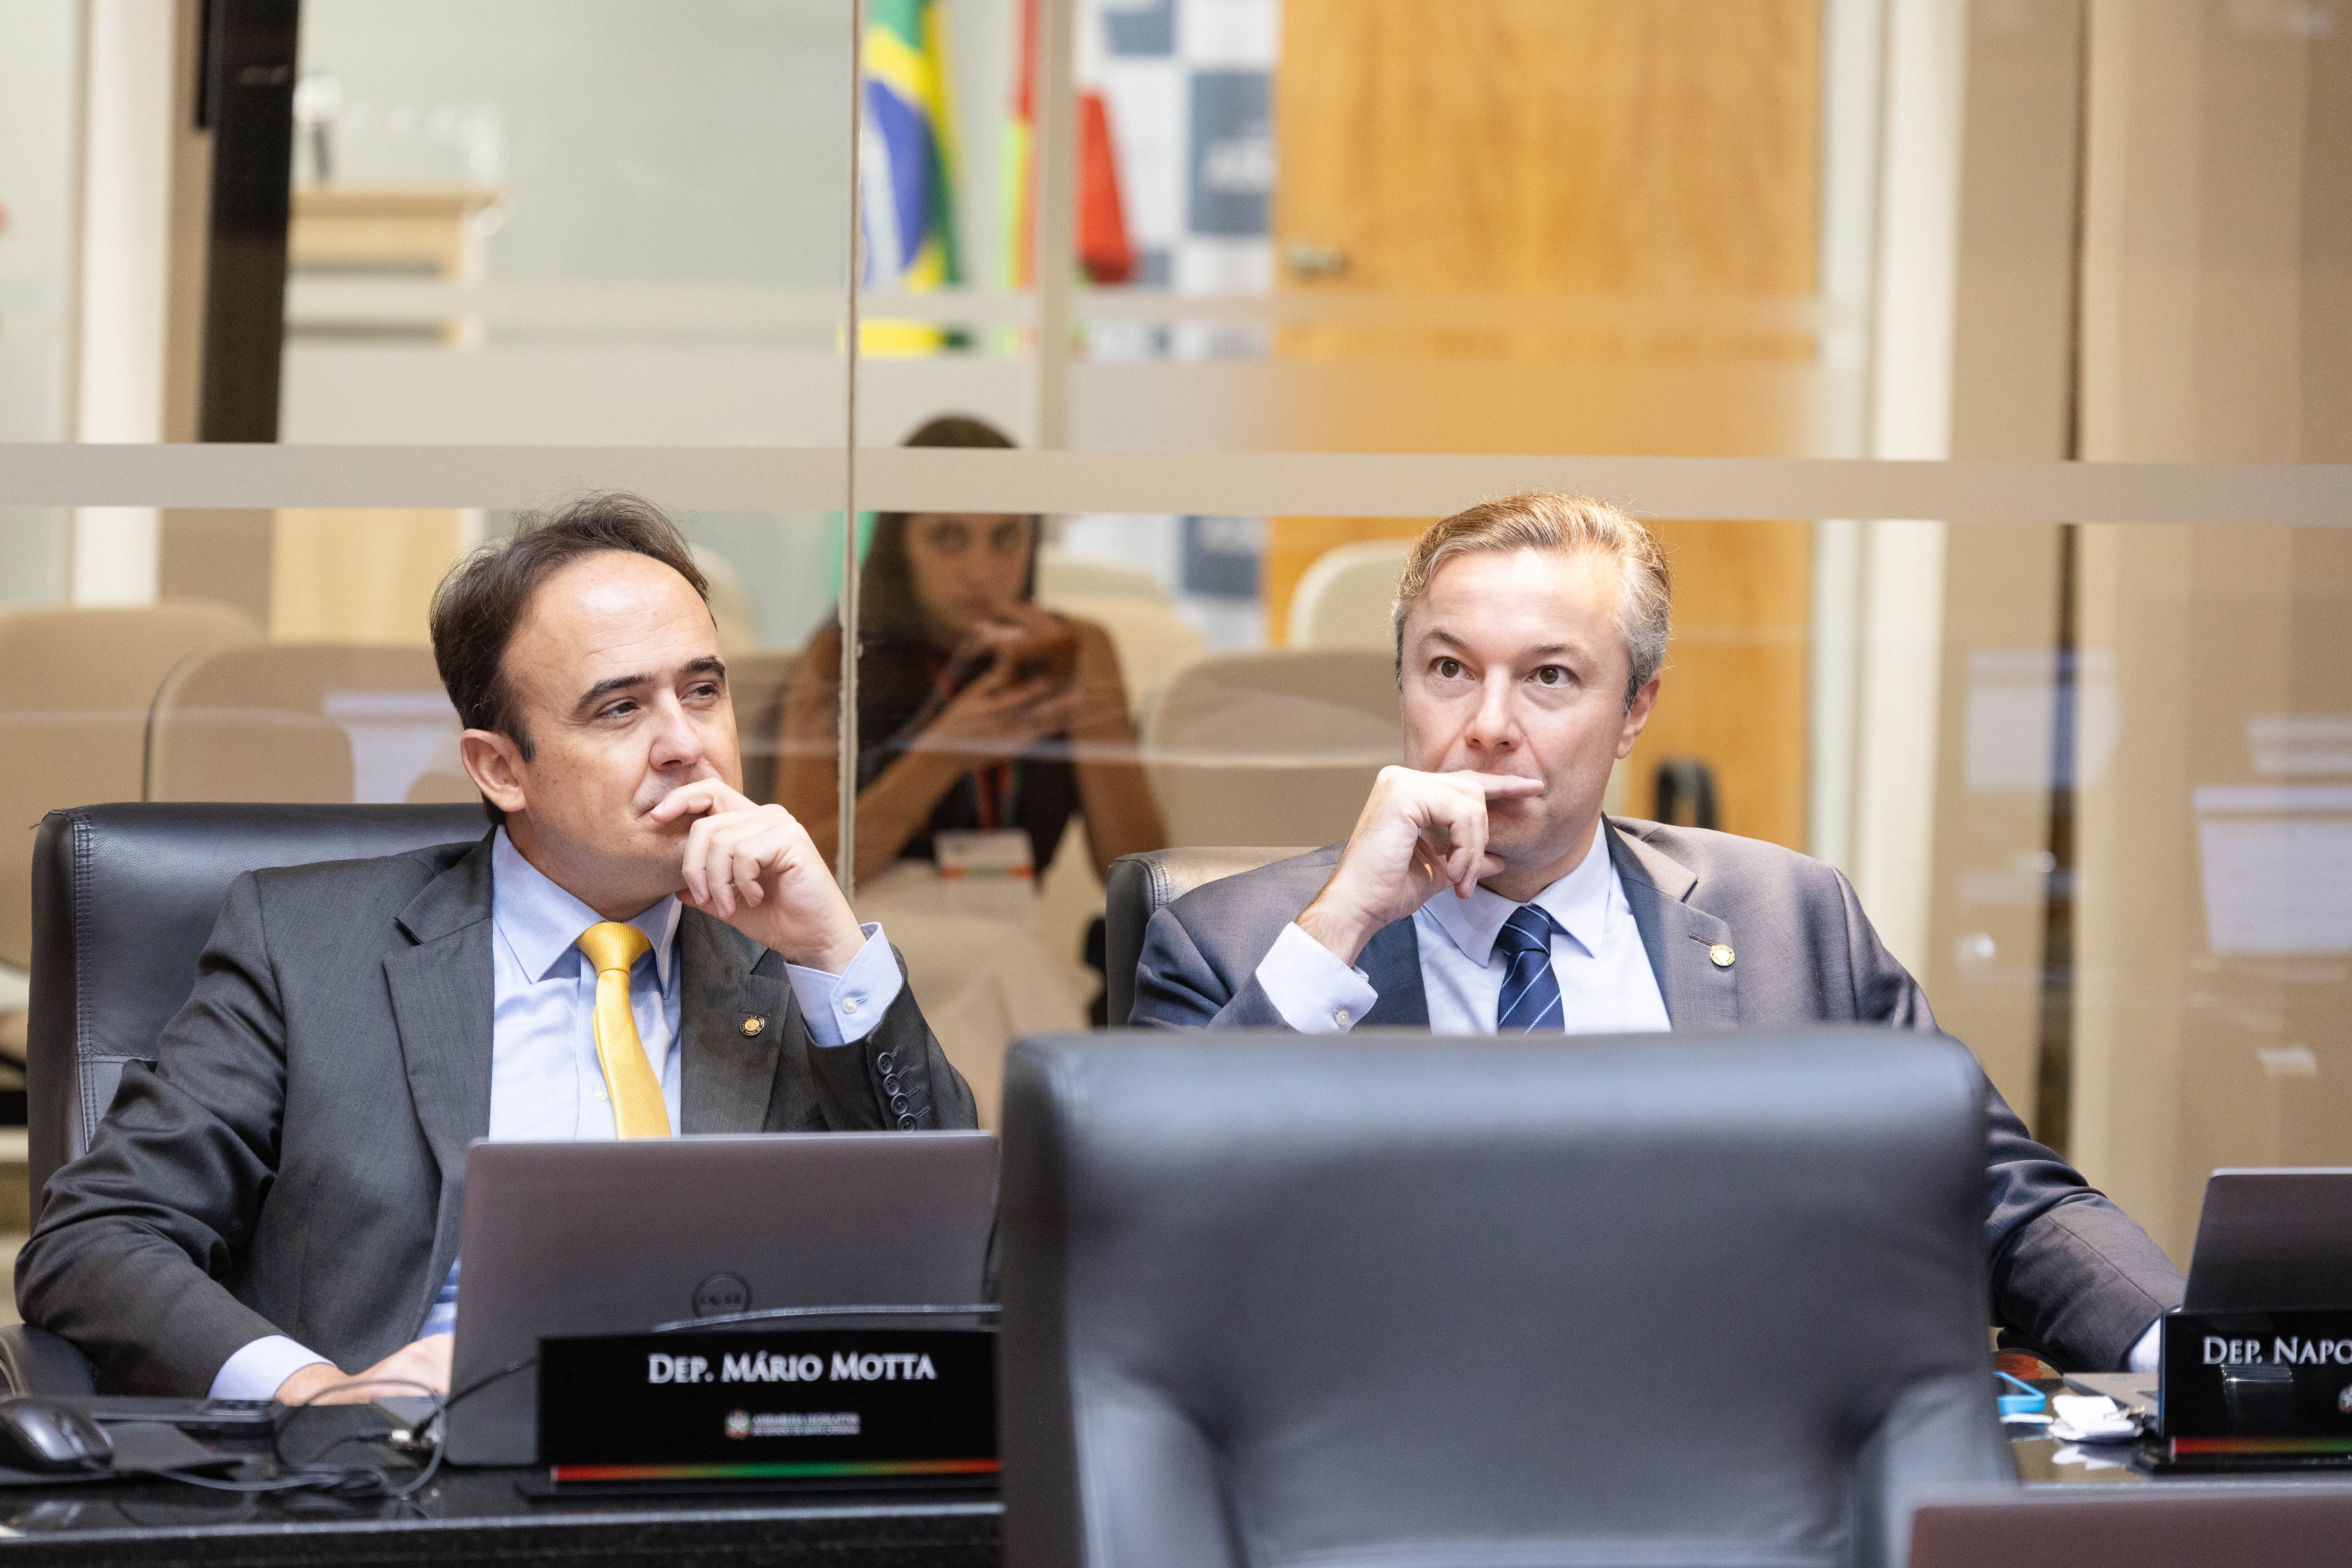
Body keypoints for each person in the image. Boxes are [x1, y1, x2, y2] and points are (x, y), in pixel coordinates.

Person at [1131, 492, 2182, 1373]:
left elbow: (1998, 1197)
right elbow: (1144, 1248)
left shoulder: (1788, 918)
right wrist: (1341, 924)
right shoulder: (1234, 942)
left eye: (1549, 676)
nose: (1488, 723)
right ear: (1402, 682)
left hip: (1733, 1471)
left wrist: (2204, 1358)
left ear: (1635, 708)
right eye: (1448, 669)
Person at [17, 496, 976, 1403]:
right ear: (500, 767)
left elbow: (965, 1255)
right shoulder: (306, 949)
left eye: (702, 690)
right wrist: (320, 1395)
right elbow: (97, 1238)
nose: (685, 744)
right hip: (405, 1470)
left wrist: (831, 951)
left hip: (717, 1461)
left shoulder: (792, 967)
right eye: (620, 708)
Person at [776, 414, 1166, 893]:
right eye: (948, 537)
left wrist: (1091, 717)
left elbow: (1143, 881)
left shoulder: (1076, 649)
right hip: (878, 928)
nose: (980, 571)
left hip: (1018, 932)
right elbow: (799, 878)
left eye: (1005, 537)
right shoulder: (840, 656)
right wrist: (941, 757)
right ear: (901, 547)